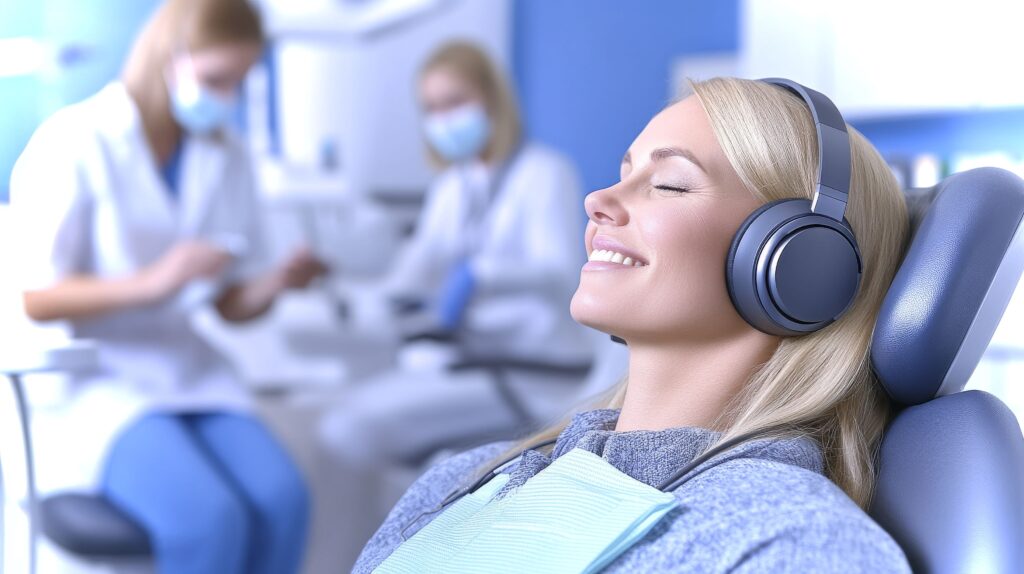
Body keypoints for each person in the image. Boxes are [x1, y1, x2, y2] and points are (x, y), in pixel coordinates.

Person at [353, 77, 914, 572]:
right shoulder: (472, 478)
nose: (597, 200)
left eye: (669, 183)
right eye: (623, 173)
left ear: (800, 266)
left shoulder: (793, 544)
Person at [9, 1, 324, 572]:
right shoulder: (76, 140)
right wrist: (156, 281)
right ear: (168, 57)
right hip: (95, 379)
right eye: (214, 79)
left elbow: (230, 305)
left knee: (285, 499)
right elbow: (38, 298)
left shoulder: (227, 155)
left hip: (189, 371)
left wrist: (276, 282)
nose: (226, 97)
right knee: (209, 517)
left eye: (238, 82)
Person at [316, 41, 595, 568]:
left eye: (456, 101)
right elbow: (415, 268)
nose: (445, 119)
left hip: (531, 374)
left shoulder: (543, 173)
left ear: (492, 99)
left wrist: (481, 276)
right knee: (349, 422)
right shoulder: (454, 186)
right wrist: (344, 285)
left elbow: (562, 274)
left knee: (345, 430)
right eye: (433, 108)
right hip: (476, 363)